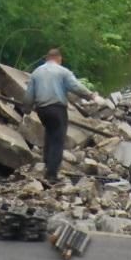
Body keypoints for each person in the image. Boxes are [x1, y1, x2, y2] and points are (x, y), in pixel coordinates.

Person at [26, 48, 84, 183]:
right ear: (59, 59)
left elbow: (29, 94)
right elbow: (76, 87)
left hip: (42, 110)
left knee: (50, 132)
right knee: (58, 138)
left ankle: (47, 162)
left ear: (47, 58)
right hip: (57, 108)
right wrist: (91, 96)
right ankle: (52, 174)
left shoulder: (36, 72)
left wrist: (26, 108)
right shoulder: (63, 71)